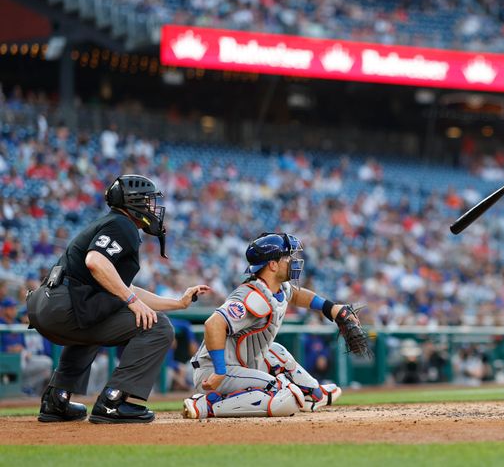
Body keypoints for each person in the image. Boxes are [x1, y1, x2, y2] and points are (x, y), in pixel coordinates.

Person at [26, 174, 210, 423]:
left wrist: (178, 303)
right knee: (158, 326)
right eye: (146, 201)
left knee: (95, 317)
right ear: (132, 202)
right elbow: (96, 261)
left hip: (49, 305)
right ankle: (115, 400)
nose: (150, 208)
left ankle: (56, 399)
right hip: (64, 305)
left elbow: (121, 286)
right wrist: (132, 301)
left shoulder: (111, 223)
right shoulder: (123, 225)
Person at [182, 232, 368, 419]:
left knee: (277, 352)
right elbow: (213, 324)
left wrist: (331, 309)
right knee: (284, 396)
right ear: (272, 265)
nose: (293, 261)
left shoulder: (276, 288)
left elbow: (296, 295)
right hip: (216, 371)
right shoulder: (252, 296)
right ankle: (206, 405)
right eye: (287, 257)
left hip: (241, 364)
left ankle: (313, 394)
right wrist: (220, 372)